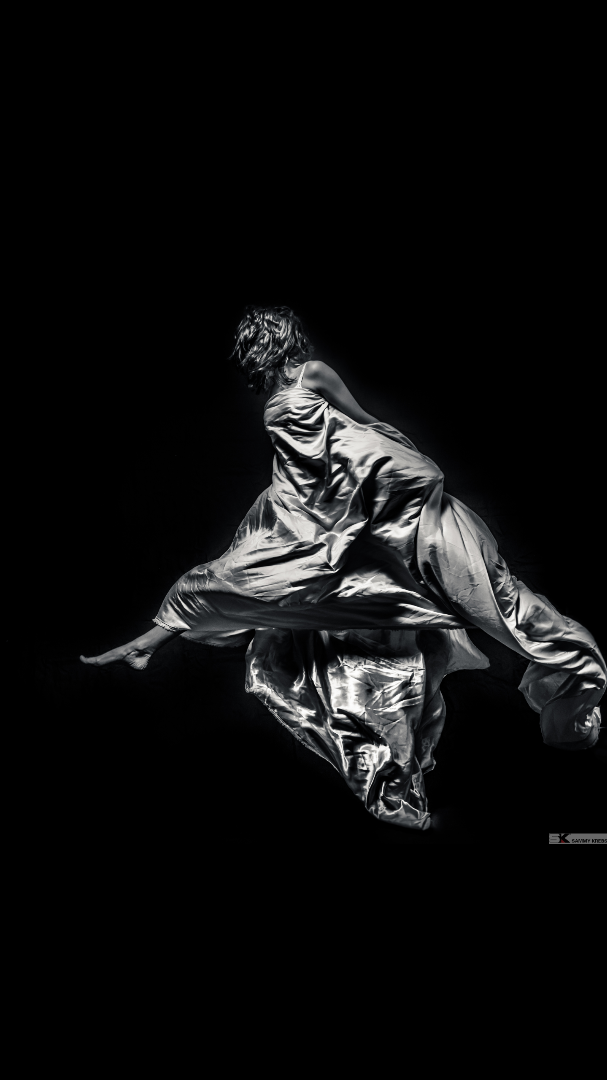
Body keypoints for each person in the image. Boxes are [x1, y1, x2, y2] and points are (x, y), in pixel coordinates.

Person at [80, 305, 606, 830]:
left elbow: (359, 420)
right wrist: (286, 511)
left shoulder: (312, 372)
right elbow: (296, 458)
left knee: (460, 591)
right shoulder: (274, 393)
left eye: (259, 341)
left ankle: (561, 685)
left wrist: (396, 463)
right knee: (230, 577)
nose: (255, 353)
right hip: (305, 501)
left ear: (275, 340)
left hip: (349, 494)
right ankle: (144, 645)